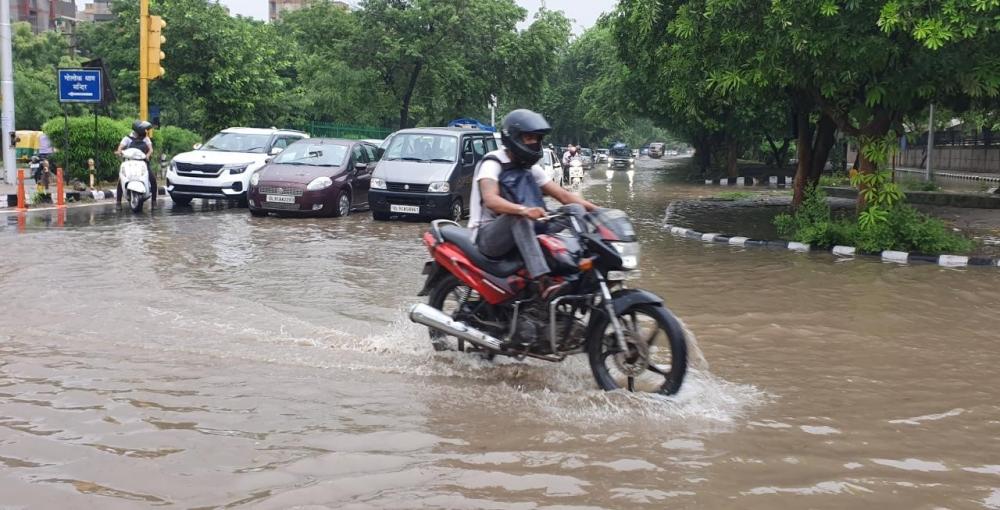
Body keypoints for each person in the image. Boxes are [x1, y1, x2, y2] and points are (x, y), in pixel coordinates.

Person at [469, 109, 598, 297]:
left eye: (537, 138)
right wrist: (524, 210)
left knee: (575, 209)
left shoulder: (530, 168)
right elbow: (491, 200)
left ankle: (586, 266)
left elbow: (564, 196)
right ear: (513, 137)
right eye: (529, 138)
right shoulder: (493, 163)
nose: (535, 143)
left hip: (529, 227)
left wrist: (600, 212)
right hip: (488, 237)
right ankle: (543, 281)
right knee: (518, 218)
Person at [115, 120, 155, 206]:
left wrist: (148, 155)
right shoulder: (127, 138)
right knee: (121, 179)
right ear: (138, 130)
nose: (145, 132)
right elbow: (120, 148)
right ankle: (118, 202)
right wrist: (119, 152)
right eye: (144, 130)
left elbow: (151, 149)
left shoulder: (146, 138)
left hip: (142, 162)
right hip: (129, 162)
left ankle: (154, 201)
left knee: (152, 178)